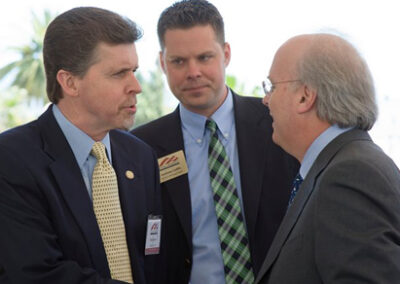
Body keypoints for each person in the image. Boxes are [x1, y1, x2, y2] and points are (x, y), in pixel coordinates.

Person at [132, 1, 298, 283]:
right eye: (179, 61)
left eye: (205, 57)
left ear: (226, 54)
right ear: (162, 63)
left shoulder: (279, 123)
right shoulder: (139, 148)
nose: (193, 72)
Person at [0, 7, 163, 284]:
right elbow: (36, 273)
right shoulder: (12, 160)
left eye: (134, 71)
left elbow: (153, 257)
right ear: (70, 82)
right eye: (119, 73)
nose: (136, 86)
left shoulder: (141, 156)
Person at [255, 33, 400, 284]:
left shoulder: (349, 176)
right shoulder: (338, 166)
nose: (265, 100)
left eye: (272, 87)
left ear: (305, 96)